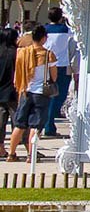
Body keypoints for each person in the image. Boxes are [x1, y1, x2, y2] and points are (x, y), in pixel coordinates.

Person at [10, 25, 56, 163]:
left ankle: (11, 154)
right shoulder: (48, 55)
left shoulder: (22, 53)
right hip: (40, 93)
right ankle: (31, 155)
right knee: (35, 126)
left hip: (25, 90)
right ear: (43, 38)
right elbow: (53, 76)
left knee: (19, 124)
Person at [41, 8, 76, 138]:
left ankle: (46, 123)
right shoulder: (68, 31)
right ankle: (49, 125)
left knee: (46, 96)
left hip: (45, 66)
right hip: (62, 65)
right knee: (58, 96)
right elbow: (73, 48)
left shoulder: (43, 30)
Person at [0, 29, 17, 159]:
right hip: (13, 91)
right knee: (17, 123)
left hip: (1, 92)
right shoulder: (16, 53)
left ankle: (1, 148)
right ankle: (13, 150)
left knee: (1, 123)